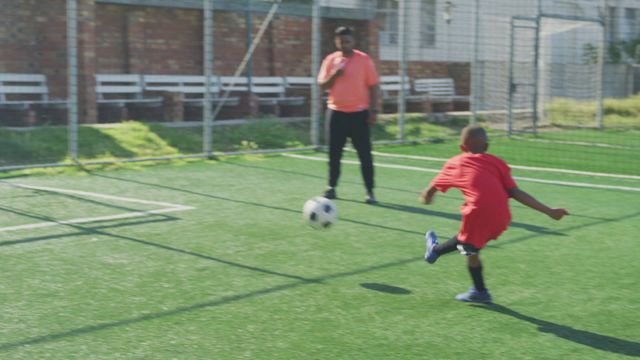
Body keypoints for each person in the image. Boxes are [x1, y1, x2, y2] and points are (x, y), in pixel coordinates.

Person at [419, 125, 569, 303]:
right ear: (487, 147)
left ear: (462, 148)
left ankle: (435, 252)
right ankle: (479, 290)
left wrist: (426, 197)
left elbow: (429, 192)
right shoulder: (498, 163)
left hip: (477, 212)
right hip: (502, 217)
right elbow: (515, 192)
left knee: (467, 244)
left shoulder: (456, 162)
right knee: (471, 249)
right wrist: (549, 211)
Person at [317, 26, 381, 204]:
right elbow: (322, 85)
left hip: (359, 115)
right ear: (336, 42)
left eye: (347, 41)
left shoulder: (364, 60)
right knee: (334, 154)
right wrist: (335, 74)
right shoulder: (330, 60)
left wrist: (374, 110)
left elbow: (373, 86)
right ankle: (331, 187)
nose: (344, 45)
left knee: (365, 155)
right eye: (340, 42)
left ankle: (370, 191)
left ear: (353, 41)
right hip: (336, 113)